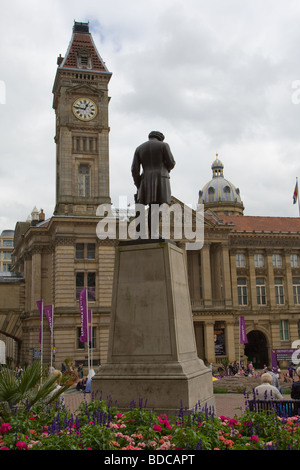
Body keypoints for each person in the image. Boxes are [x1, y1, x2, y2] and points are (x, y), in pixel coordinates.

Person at [131, 131, 176, 237]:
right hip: (161, 178)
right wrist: (165, 169)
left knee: (148, 206)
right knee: (160, 205)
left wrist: (139, 184)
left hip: (145, 179)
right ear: (160, 138)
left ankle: (148, 234)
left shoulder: (139, 148)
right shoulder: (164, 145)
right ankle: (154, 233)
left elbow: (134, 169)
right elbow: (171, 162)